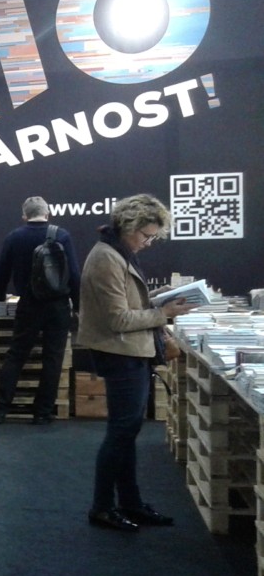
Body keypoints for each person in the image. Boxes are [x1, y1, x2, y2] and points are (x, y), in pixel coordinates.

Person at [77, 194, 197, 532]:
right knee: (121, 432)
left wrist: (158, 301)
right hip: (120, 352)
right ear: (128, 226)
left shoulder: (117, 253)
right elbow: (118, 319)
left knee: (127, 432)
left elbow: (126, 306)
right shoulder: (106, 258)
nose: (148, 242)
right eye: (146, 235)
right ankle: (102, 507)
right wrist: (163, 312)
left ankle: (130, 502)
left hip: (131, 352)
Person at [0, 196, 80, 425]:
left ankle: (0, 410)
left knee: (17, 355)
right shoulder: (62, 235)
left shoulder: (14, 237)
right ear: (48, 214)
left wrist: (0, 298)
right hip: (58, 305)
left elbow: (2, 273)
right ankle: (42, 412)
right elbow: (75, 275)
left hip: (29, 304)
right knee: (53, 358)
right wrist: (77, 305)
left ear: (24, 216)